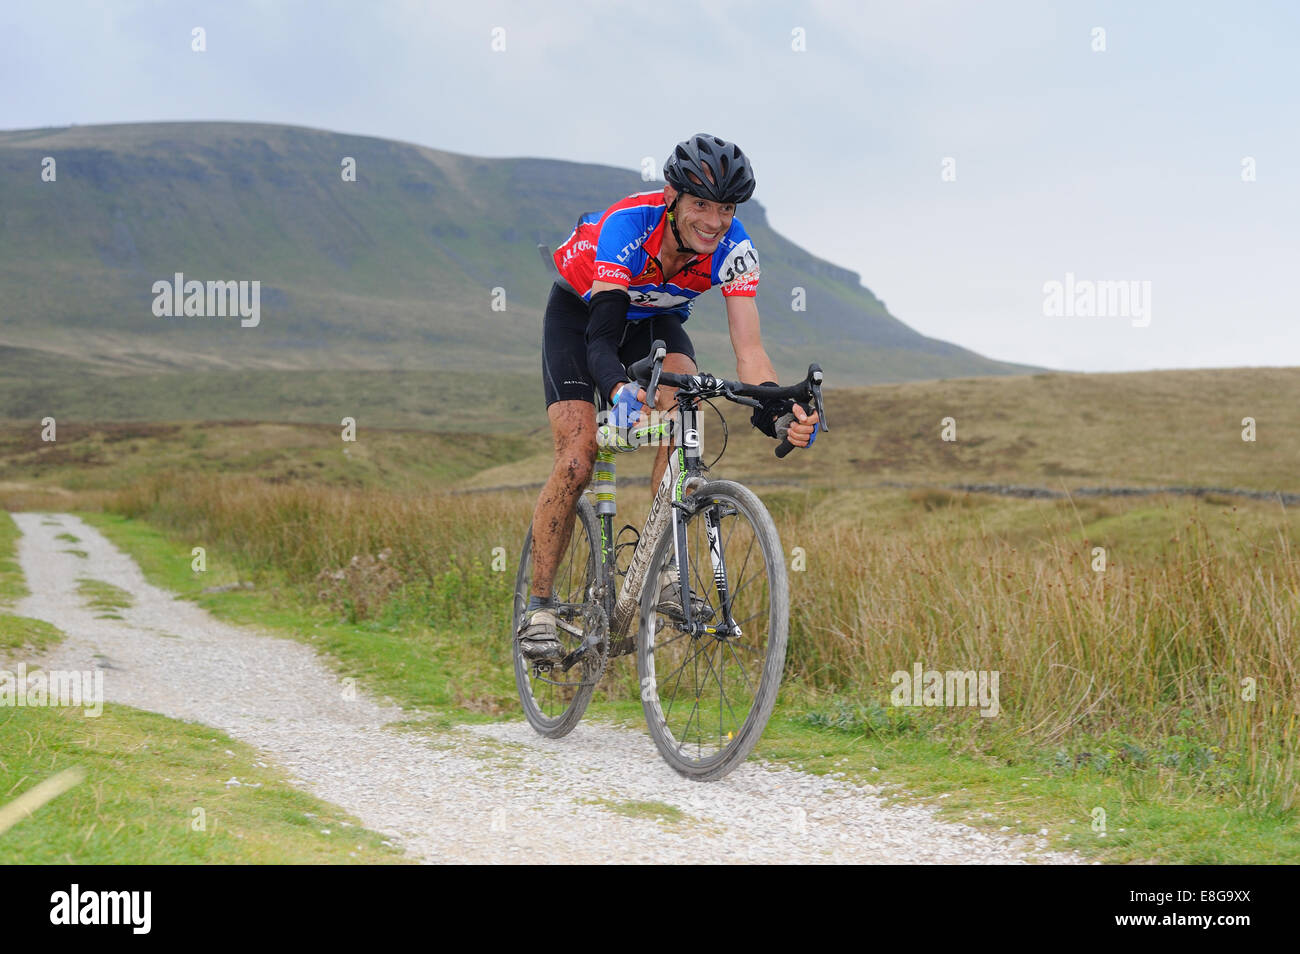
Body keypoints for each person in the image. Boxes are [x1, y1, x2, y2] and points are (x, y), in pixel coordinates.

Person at [518, 133, 819, 661]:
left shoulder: (734, 247)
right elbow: (601, 340)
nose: (714, 220)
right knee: (578, 454)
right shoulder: (627, 227)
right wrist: (618, 387)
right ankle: (539, 606)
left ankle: (667, 573)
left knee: (687, 402)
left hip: (654, 319)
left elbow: (750, 353)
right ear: (672, 197)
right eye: (701, 204)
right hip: (584, 315)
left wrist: (778, 411)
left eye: (725, 208)